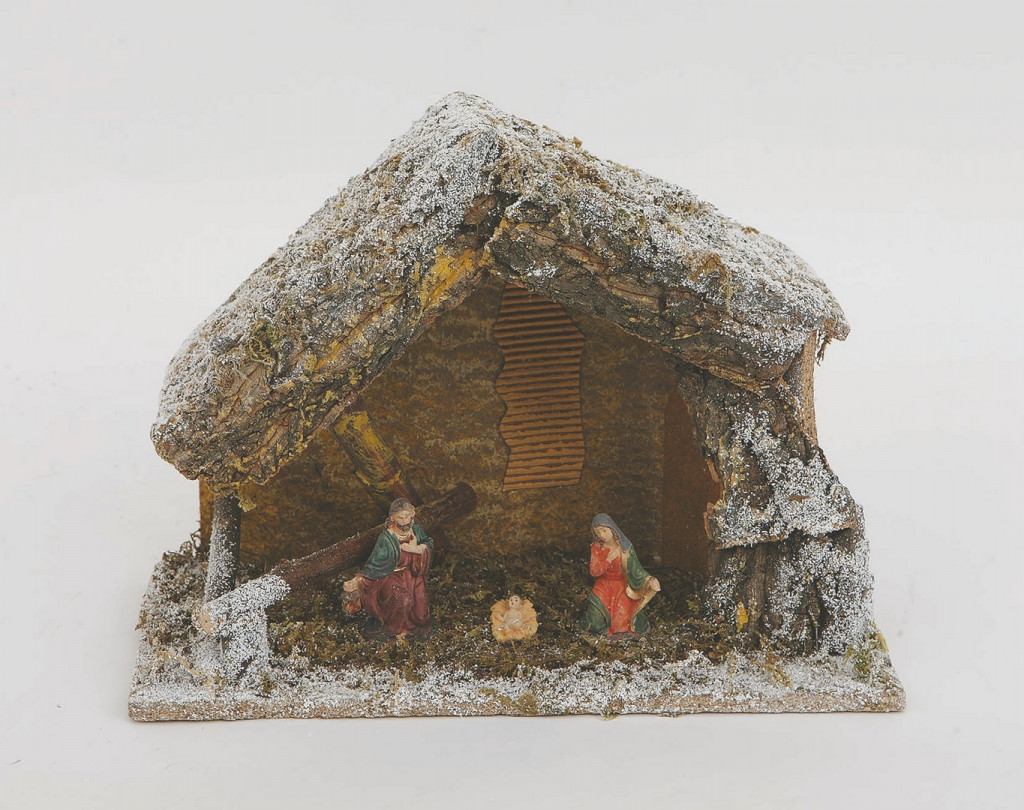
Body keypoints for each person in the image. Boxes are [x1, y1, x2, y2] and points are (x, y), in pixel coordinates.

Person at [344, 498, 433, 639]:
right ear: (392, 518)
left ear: (412, 515)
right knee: (403, 599)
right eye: (400, 517)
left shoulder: (416, 530)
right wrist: (358, 580)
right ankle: (395, 630)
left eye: (407, 516)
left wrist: (416, 549)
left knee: (421, 613)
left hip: (413, 575)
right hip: (391, 578)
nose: (404, 521)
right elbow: (374, 564)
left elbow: (429, 544)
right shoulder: (387, 539)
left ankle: (412, 630)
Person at [580, 514, 660, 638]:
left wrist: (650, 580)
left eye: (604, 530)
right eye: (597, 532)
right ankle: (604, 632)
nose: (601, 535)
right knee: (595, 622)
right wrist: (608, 559)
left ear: (612, 529)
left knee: (620, 625)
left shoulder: (625, 549)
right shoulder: (597, 547)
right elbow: (594, 571)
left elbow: (636, 570)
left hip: (622, 587)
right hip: (603, 586)